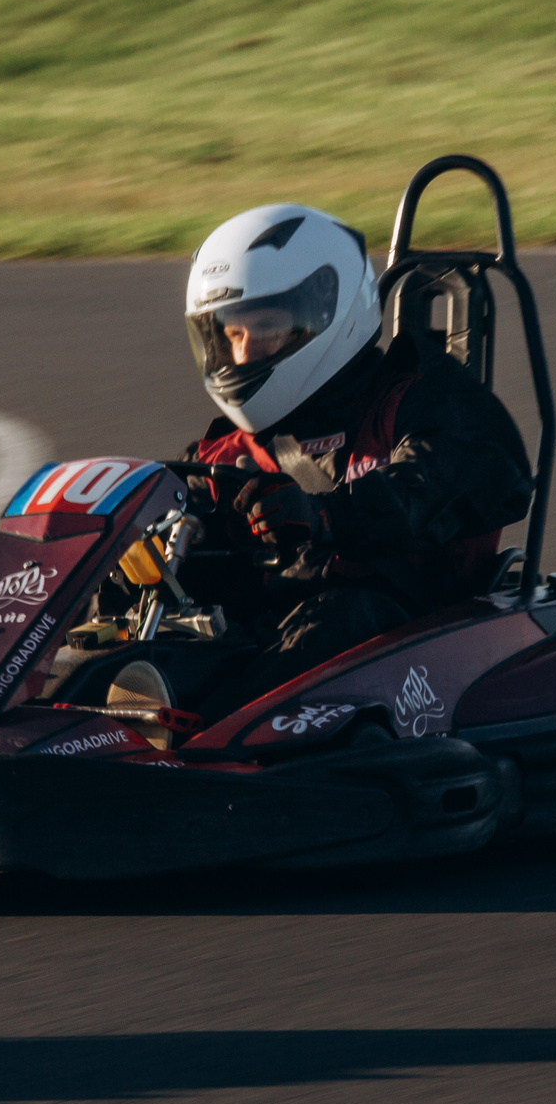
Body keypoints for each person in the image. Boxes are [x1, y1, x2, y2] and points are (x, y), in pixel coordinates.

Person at [148, 201, 535, 719]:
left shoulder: (428, 403)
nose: (241, 355)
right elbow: (178, 503)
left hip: (408, 643)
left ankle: (198, 745)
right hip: (270, 636)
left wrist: (325, 516)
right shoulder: (234, 451)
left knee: (342, 616)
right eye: (232, 334)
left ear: (324, 315)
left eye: (265, 327)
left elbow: (436, 483)